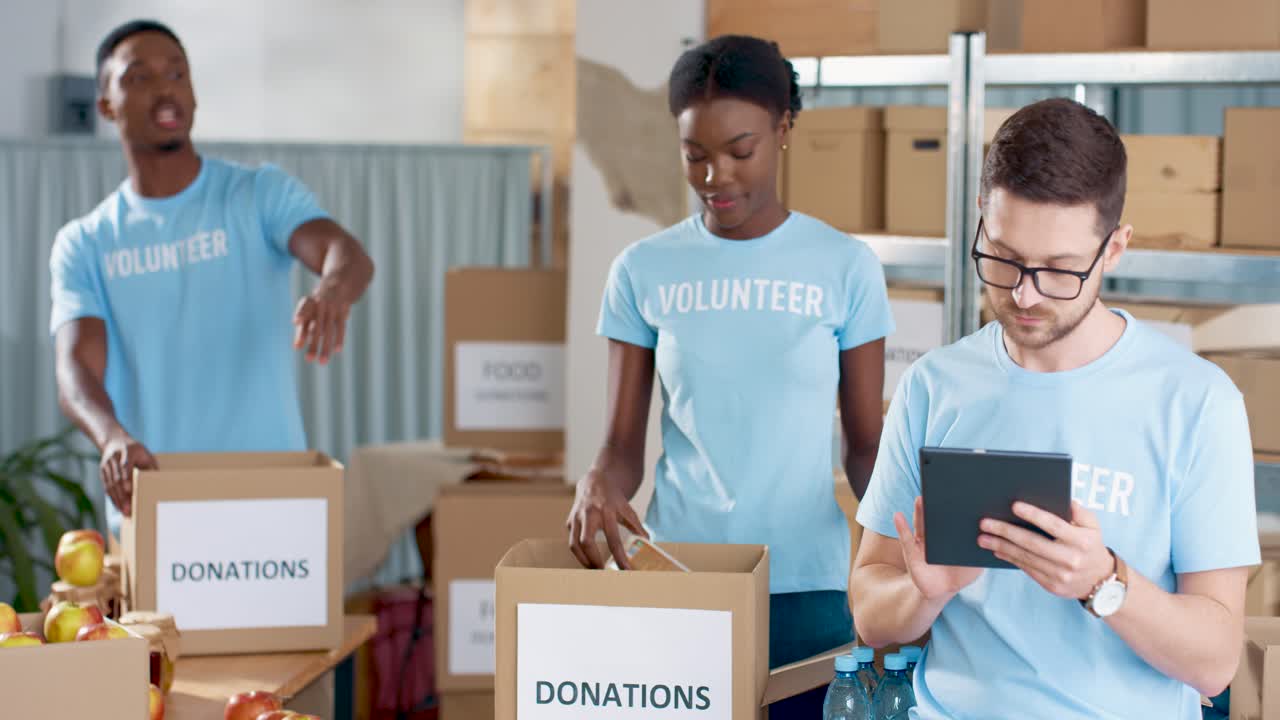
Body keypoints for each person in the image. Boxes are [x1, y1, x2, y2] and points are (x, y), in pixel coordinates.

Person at [852, 98, 1257, 719]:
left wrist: (1104, 583)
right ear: (982, 217)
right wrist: (923, 594)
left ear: (1114, 249)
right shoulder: (934, 385)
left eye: (1059, 270)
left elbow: (1217, 661)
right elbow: (869, 612)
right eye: (1004, 258)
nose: (1023, 294)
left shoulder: (1198, 403)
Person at [566, 34, 894, 716]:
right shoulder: (641, 271)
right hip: (680, 579)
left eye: (740, 151)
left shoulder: (845, 267)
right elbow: (623, 447)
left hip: (806, 589)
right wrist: (597, 482)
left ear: (783, 128)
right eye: (696, 155)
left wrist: (912, 542)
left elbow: (866, 446)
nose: (716, 177)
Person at [51, 20, 375, 538]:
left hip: (274, 499)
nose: (165, 88)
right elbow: (75, 368)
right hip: (155, 501)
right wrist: (111, 437)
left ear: (194, 93)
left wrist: (332, 292)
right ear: (106, 106)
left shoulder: (257, 194)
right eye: (139, 77)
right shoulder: (86, 242)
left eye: (177, 73)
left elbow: (345, 253)